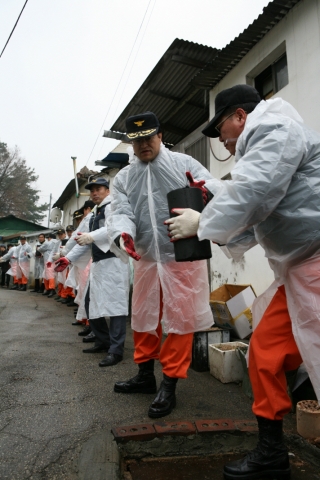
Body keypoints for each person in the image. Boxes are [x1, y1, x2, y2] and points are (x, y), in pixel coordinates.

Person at [165, 84, 320, 480]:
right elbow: (253, 219)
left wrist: (204, 221)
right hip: (299, 273)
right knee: (265, 353)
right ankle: (272, 451)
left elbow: (254, 191)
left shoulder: (275, 128)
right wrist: (212, 204)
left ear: (240, 116)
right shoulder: (266, 144)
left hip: (316, 264)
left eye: (223, 133)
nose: (225, 143)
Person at [107, 111, 214, 418]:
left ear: (160, 135)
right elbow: (121, 212)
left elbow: (213, 188)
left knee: (179, 322)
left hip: (182, 257)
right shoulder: (125, 178)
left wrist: (205, 192)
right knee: (143, 318)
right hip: (147, 258)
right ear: (131, 143)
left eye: (148, 138)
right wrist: (123, 233)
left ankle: (169, 384)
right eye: (137, 140)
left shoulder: (184, 164)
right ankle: (144, 375)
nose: (143, 145)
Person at [55, 178, 130, 367]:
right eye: (92, 190)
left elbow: (113, 228)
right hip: (98, 264)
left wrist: (92, 236)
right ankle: (103, 341)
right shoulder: (95, 214)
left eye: (99, 189)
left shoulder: (114, 206)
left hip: (114, 263)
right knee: (90, 304)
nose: (95, 193)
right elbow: (84, 241)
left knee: (115, 308)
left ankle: (116, 350)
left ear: (107, 190)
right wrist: (68, 258)